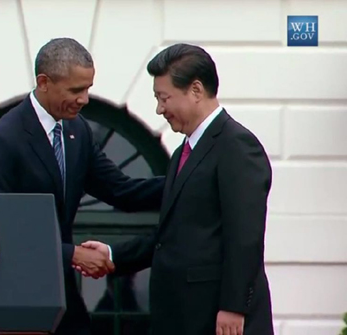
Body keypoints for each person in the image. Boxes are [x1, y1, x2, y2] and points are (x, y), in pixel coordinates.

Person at [78, 43, 274, 335]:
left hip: (217, 318)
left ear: (195, 90)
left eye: (163, 98)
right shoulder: (186, 151)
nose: (159, 109)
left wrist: (234, 306)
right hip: (183, 316)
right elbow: (171, 237)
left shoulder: (236, 146)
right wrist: (113, 254)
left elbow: (245, 235)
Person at [0, 37, 165, 335]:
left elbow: (121, 190)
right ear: (44, 82)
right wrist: (71, 254)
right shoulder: (4, 140)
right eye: (76, 90)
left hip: (61, 293)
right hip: (17, 297)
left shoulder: (77, 130)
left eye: (87, 88)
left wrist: (185, 181)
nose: (85, 99)